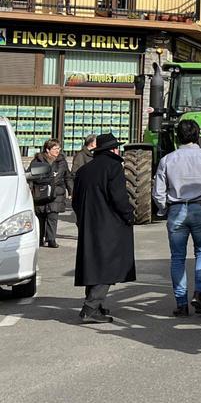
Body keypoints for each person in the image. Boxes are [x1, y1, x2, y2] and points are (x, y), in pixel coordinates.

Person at [152, 119, 201, 317]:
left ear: (177, 136)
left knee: (177, 258)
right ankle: (199, 294)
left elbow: (158, 192)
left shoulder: (167, 159)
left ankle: (181, 303)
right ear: (198, 135)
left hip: (176, 210)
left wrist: (163, 208)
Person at [72, 133, 135, 324]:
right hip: (110, 224)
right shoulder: (113, 167)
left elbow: (75, 201)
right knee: (110, 265)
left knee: (92, 264)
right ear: (113, 149)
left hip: (88, 224)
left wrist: (83, 218)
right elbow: (119, 198)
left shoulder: (84, 170)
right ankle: (90, 307)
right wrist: (128, 215)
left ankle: (96, 306)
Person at [31, 139, 69, 248]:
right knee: (41, 215)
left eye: (59, 148)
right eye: (55, 148)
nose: (58, 150)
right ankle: (39, 238)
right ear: (48, 150)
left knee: (53, 215)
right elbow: (31, 175)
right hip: (41, 191)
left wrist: (72, 191)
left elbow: (67, 177)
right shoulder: (37, 161)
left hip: (56, 191)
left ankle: (51, 239)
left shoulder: (62, 161)